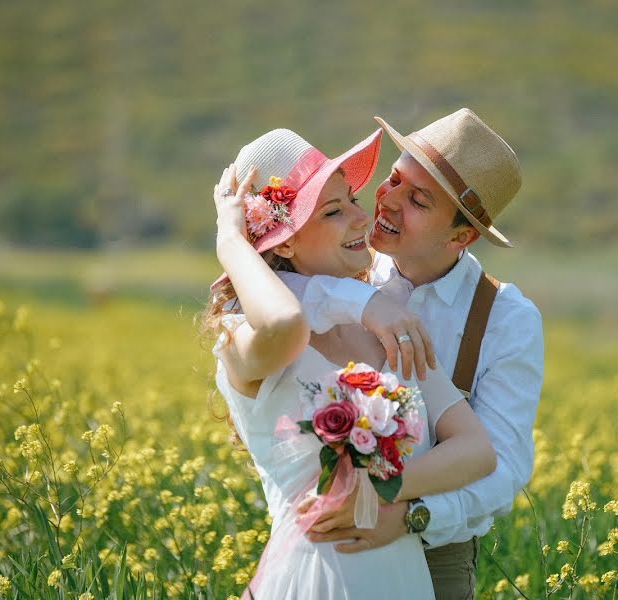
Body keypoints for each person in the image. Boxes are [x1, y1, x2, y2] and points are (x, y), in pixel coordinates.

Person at [204, 126, 498, 599]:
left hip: (401, 581)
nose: (363, 219)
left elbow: (476, 451)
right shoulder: (242, 336)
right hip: (311, 581)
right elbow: (286, 323)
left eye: (354, 200)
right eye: (334, 211)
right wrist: (231, 242)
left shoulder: (387, 327)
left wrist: (381, 488)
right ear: (283, 243)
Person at [277, 108, 544, 599]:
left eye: (418, 199)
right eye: (394, 179)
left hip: (434, 554)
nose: (388, 201)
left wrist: (408, 516)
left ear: (460, 236)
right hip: (324, 547)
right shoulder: (345, 261)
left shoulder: (507, 318)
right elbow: (275, 271)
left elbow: (504, 467)